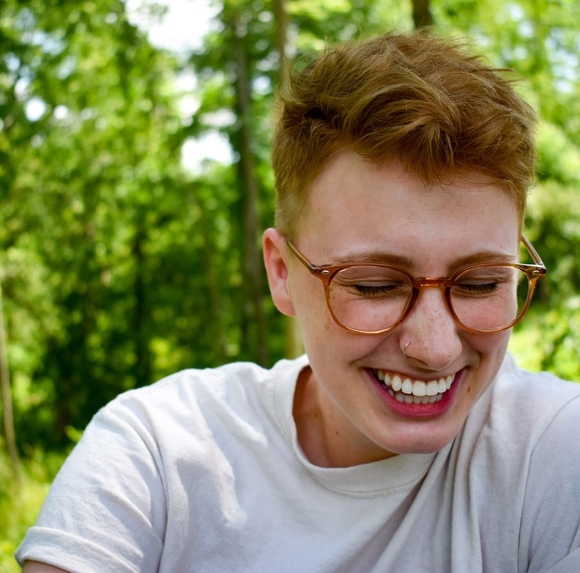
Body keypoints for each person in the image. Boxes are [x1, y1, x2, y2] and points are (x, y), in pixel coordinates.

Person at [17, 30, 580, 573]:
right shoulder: (158, 455)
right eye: (374, 285)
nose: (435, 348)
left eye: (480, 283)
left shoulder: (556, 451)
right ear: (282, 272)